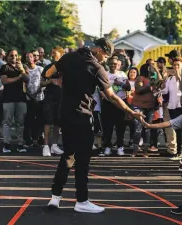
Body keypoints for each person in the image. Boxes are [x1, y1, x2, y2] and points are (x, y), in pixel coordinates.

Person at [45, 38, 144, 213]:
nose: (105, 59)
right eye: (105, 55)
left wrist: (60, 79)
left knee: (67, 154)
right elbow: (112, 96)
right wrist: (131, 111)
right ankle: (81, 201)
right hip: (83, 115)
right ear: (99, 50)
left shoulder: (69, 57)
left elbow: (48, 73)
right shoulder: (97, 68)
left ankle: (55, 197)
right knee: (82, 160)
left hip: (65, 113)